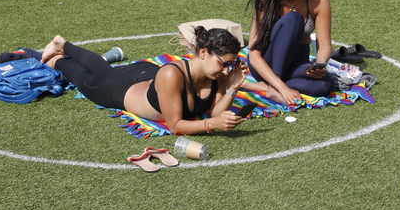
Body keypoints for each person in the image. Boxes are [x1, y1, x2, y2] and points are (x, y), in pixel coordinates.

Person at [39, 27, 248, 134]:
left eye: (230, 64)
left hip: (145, 74)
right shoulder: (171, 74)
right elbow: (175, 126)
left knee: (103, 69)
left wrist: (232, 87)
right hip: (119, 88)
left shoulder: (217, 73)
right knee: (86, 79)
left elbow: (216, 112)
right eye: (223, 63)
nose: (226, 69)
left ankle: (62, 44)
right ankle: (59, 57)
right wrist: (211, 124)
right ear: (203, 53)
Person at [246, 0, 334, 104]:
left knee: (325, 83)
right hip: (267, 61)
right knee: (294, 19)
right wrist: (282, 88)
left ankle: (264, 86)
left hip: (297, 60)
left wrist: (320, 65)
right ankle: (276, 85)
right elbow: (254, 55)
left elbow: (325, 45)